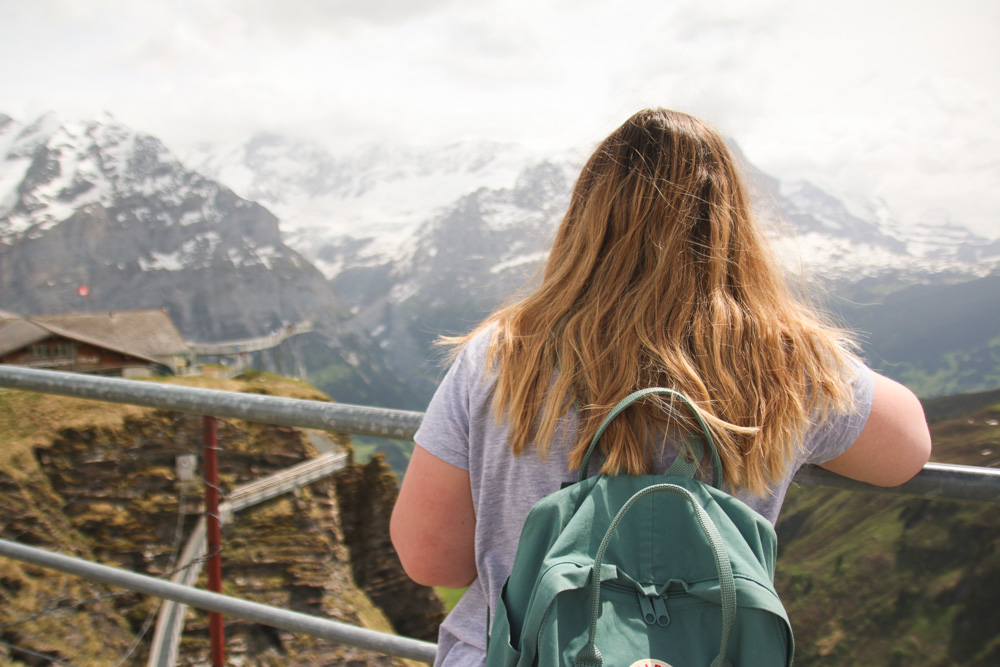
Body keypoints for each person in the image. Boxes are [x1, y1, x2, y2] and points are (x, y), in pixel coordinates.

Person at [390, 108, 932, 667]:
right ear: (732, 225)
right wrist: (798, 346)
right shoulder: (785, 363)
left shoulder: (501, 352)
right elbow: (907, 451)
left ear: (585, 219)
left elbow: (431, 559)